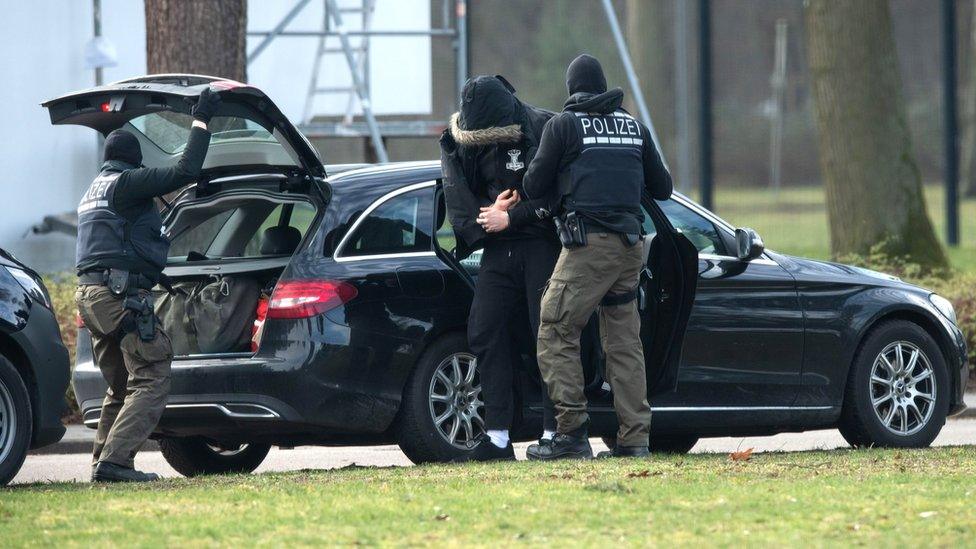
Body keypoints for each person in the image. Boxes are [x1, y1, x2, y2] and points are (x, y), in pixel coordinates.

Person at [521, 54, 673, 460]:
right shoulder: (634, 127)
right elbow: (663, 188)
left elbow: (533, 183)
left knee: (555, 328)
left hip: (589, 245)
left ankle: (570, 434)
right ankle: (635, 440)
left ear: (572, 89)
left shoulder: (564, 125)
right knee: (624, 343)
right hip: (631, 248)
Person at [75, 87, 221, 482]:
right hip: (117, 295)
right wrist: (202, 119)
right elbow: (184, 172)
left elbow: (119, 244)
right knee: (153, 372)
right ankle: (116, 463)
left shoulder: (93, 192)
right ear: (134, 162)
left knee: (120, 384)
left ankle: (102, 464)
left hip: (91, 297)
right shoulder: (126, 183)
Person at [439, 75, 560, 461]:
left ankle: (556, 431)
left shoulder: (544, 129)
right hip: (496, 246)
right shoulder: (463, 139)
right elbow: (460, 198)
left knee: (547, 334)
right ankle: (497, 436)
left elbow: (558, 194)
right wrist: (490, 218)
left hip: (540, 243)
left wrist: (514, 215)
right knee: (485, 329)